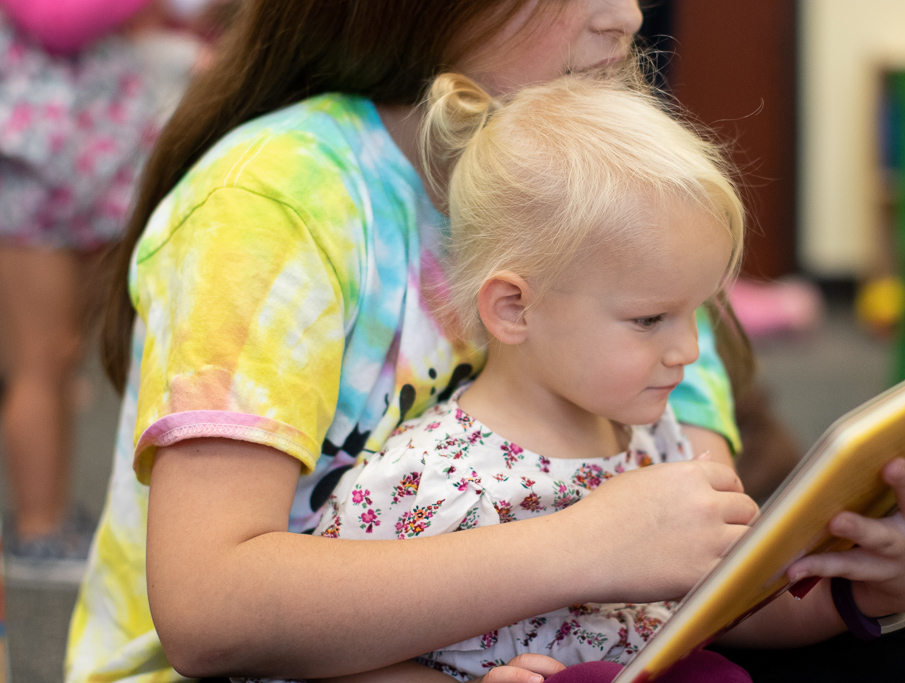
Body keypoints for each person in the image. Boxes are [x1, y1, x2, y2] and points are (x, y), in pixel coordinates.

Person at [69, 1, 905, 682]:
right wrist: (580, 547)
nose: (625, 17)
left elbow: (698, 586)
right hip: (289, 666)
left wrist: (892, 567)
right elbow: (207, 614)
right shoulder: (279, 199)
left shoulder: (630, 225)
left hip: (577, 644)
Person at [241, 70, 754, 683]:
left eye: (695, 312)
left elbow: (730, 605)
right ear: (515, 308)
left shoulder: (657, 442)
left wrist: (867, 592)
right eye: (650, 319)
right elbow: (309, 659)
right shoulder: (422, 483)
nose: (690, 350)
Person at [0, 0, 162, 580]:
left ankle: (53, 514)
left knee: (59, 356)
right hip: (29, 176)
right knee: (40, 362)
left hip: (64, 175)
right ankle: (37, 526)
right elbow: (56, 21)